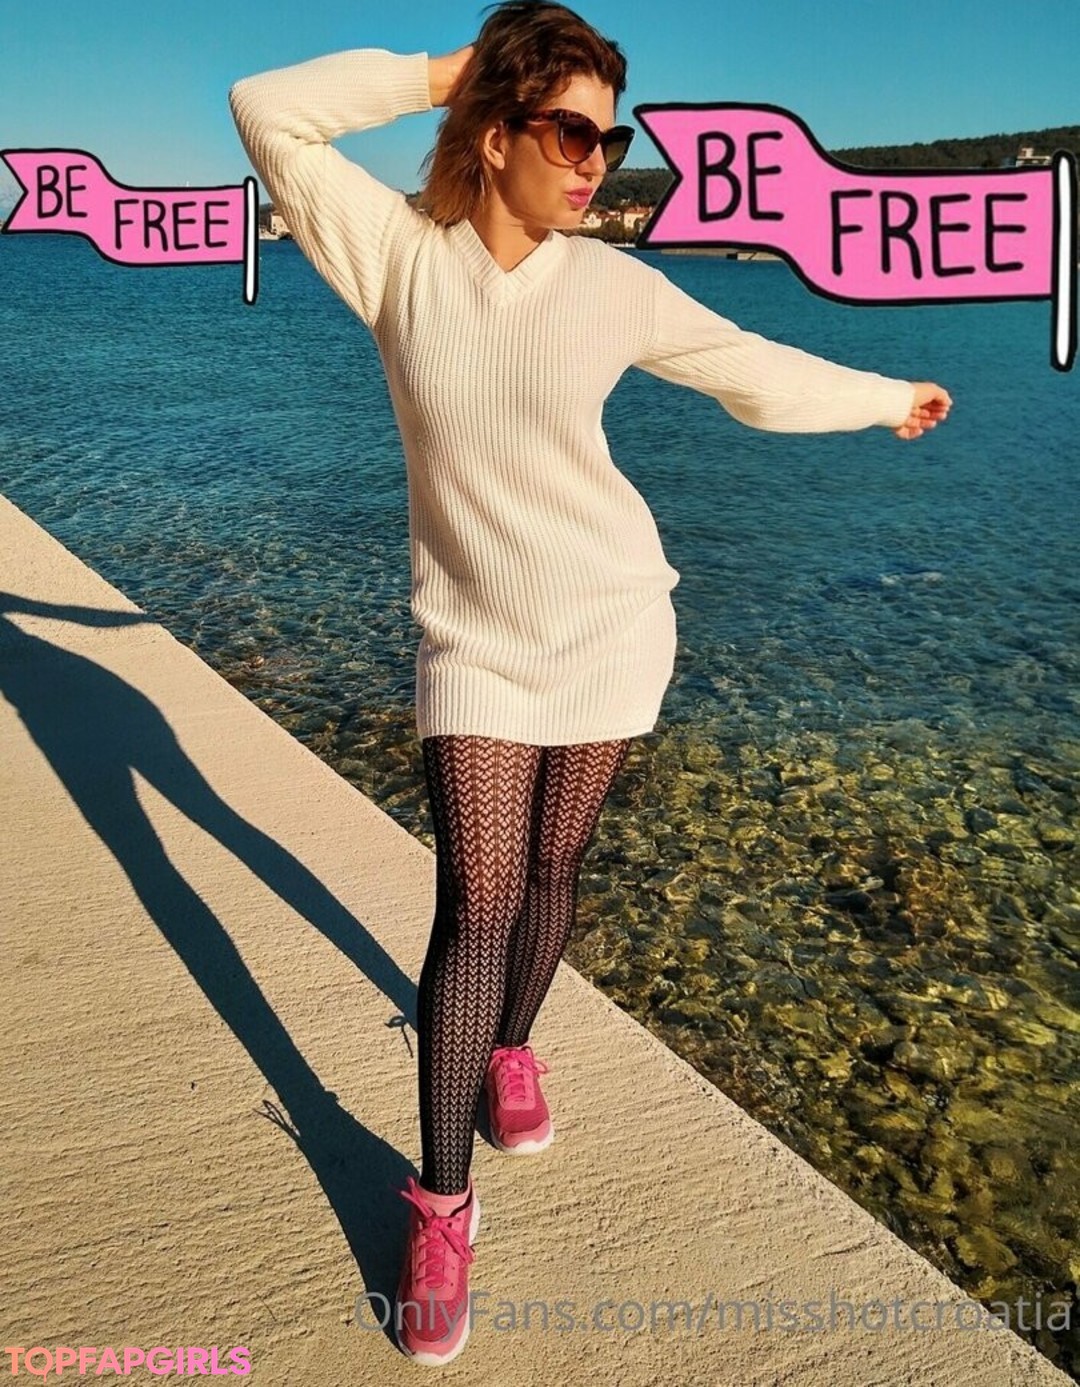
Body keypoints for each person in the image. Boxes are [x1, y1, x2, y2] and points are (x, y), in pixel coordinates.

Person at [228, 0, 952, 1365]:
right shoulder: (395, 256)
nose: (598, 161)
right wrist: (451, 67)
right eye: (569, 130)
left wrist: (878, 395)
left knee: (554, 871)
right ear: (495, 133)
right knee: (477, 899)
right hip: (476, 644)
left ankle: (514, 1050)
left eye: (608, 138)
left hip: (614, 624)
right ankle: (443, 1205)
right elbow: (268, 108)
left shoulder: (611, 286)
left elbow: (749, 372)